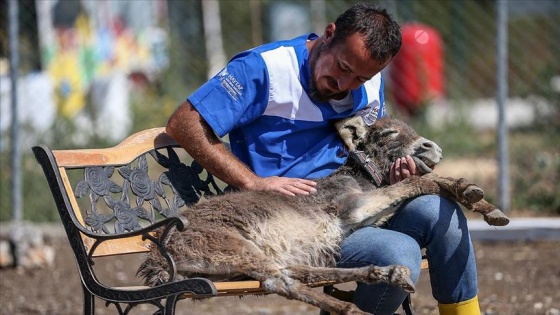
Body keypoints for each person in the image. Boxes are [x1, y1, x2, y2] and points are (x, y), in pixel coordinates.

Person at [166, 3, 480, 315]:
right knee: (398, 254)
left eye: (358, 78)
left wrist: (395, 172)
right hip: (303, 223)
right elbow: (184, 124)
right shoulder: (265, 69)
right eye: (342, 67)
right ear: (329, 34)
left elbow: (370, 149)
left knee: (442, 214)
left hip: (361, 200)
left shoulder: (369, 82)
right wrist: (252, 181)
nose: (344, 85)